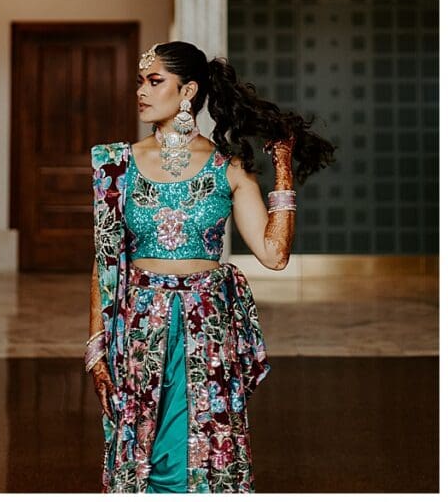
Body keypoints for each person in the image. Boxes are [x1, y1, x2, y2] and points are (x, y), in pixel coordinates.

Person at [86, 41, 334, 493]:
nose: (141, 90)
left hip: (207, 328)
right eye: (141, 81)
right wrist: (96, 350)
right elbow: (105, 263)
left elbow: (273, 254)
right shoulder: (116, 166)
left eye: (154, 80)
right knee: (145, 446)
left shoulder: (228, 168)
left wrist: (282, 168)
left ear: (189, 91)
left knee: (204, 445)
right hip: (140, 325)